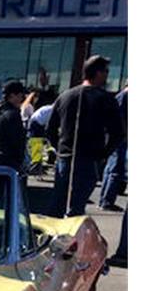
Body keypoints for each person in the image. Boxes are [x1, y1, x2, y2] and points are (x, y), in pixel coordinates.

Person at [46, 55, 124, 217]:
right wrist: (103, 154)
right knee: (76, 207)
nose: (107, 75)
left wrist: (59, 148)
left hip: (65, 158)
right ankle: (71, 239)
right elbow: (117, 133)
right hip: (88, 159)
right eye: (106, 71)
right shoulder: (105, 99)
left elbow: (50, 128)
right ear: (98, 73)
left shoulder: (65, 96)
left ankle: (50, 238)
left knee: (57, 203)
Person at [0, 80, 29, 174]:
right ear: (12, 95)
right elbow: (17, 141)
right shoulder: (12, 114)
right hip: (8, 161)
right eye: (20, 96)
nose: (22, 99)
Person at [99, 84, 128, 211]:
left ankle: (104, 199)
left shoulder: (121, 96)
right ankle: (107, 200)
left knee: (111, 169)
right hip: (120, 138)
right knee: (115, 170)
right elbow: (119, 119)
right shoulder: (125, 97)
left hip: (117, 137)